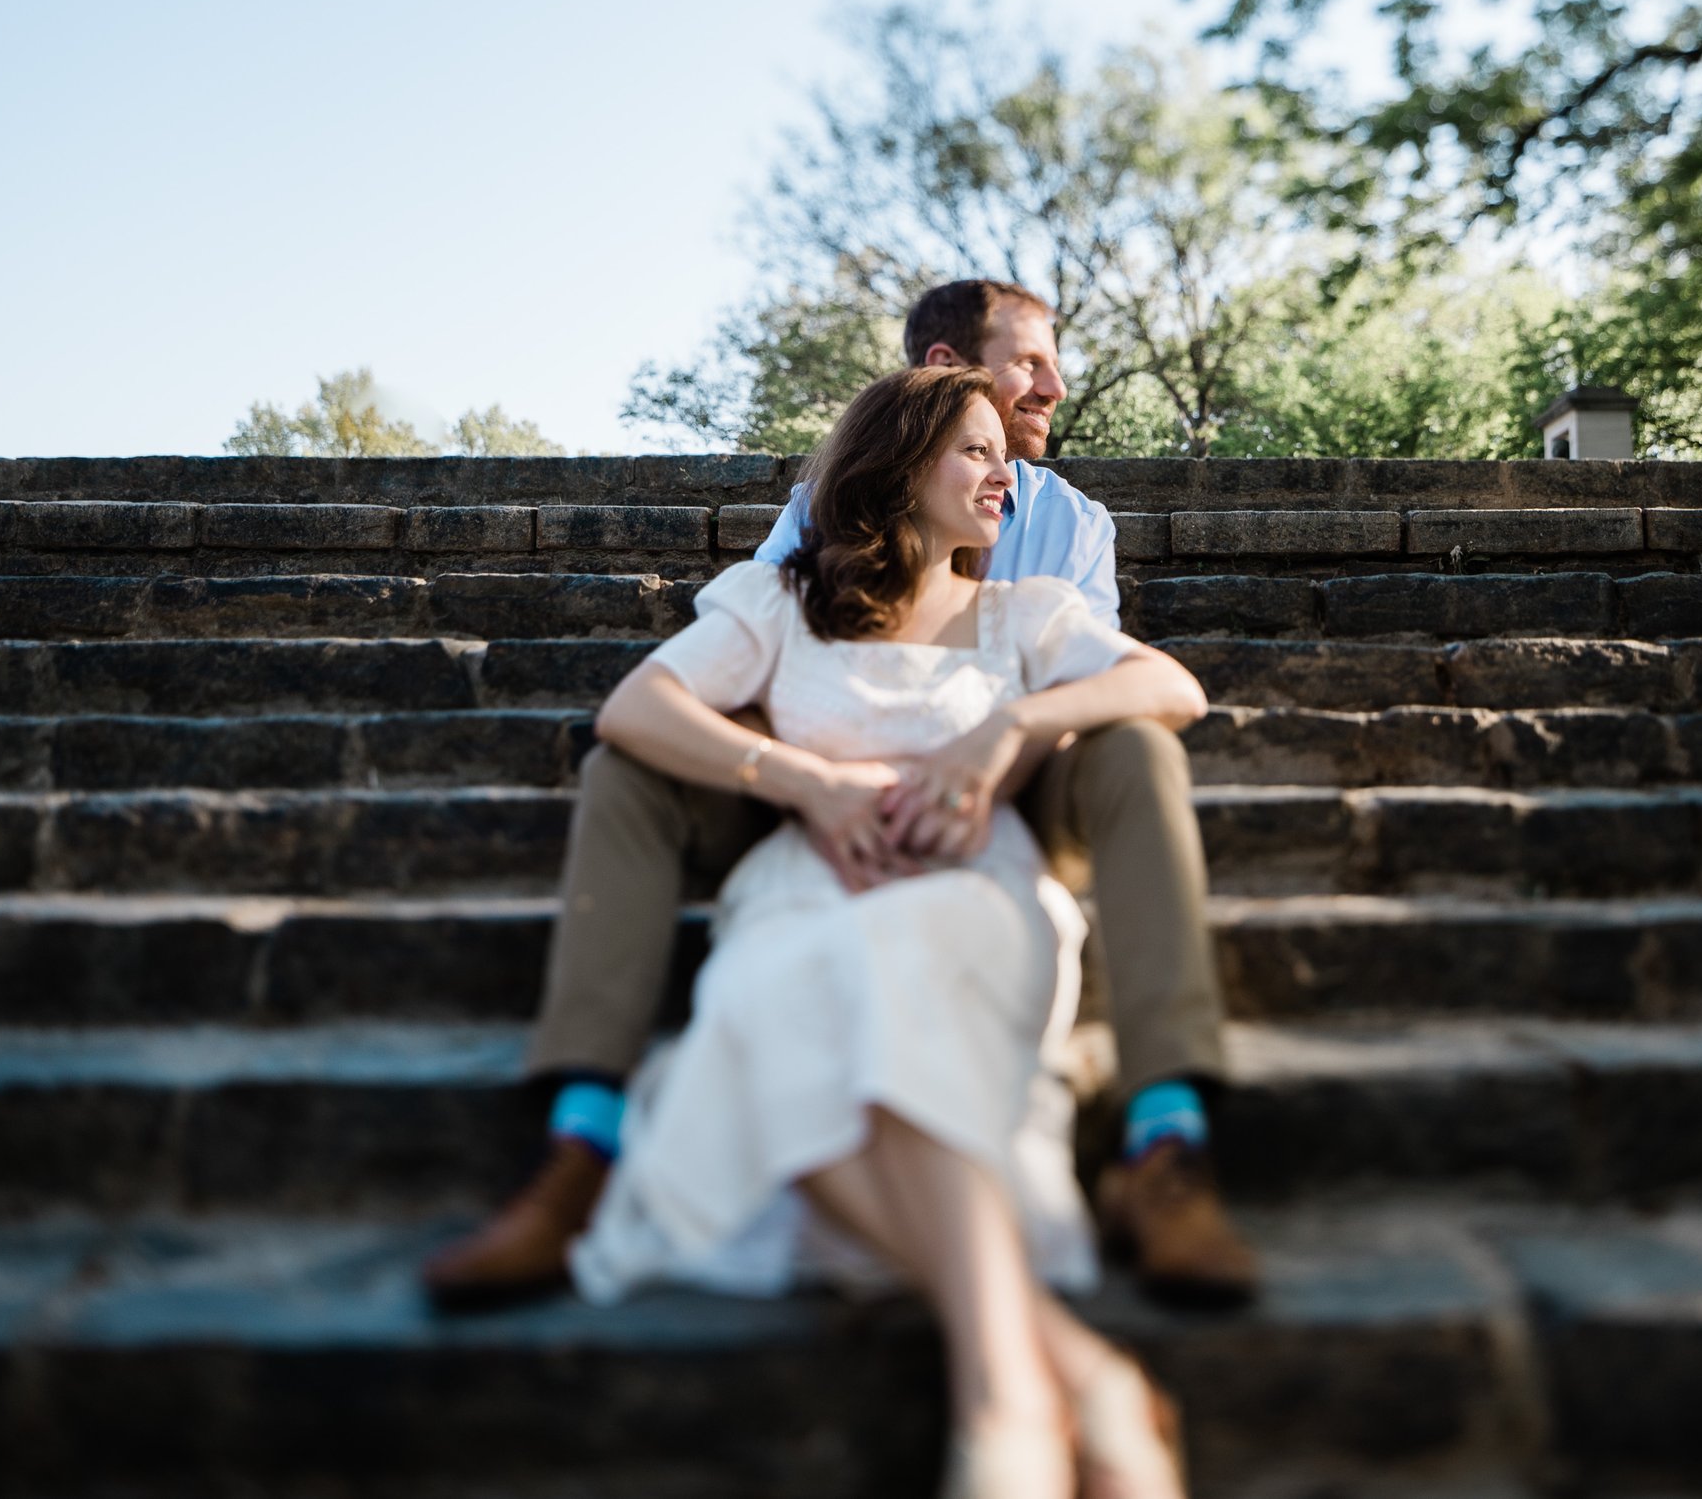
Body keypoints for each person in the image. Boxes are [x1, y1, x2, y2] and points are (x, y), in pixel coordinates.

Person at [421, 280, 1256, 1312]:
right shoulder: (806, 549)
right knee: (625, 764)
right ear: (931, 399)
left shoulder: (1060, 546)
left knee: (1137, 745)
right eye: (1020, 374)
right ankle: (582, 1146)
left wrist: (990, 748)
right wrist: (821, 783)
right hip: (815, 801)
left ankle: (1165, 1143)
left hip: (1008, 800)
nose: (1051, 390)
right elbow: (754, 664)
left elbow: (1126, 682)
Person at [572, 366, 1195, 1496]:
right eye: (971, 448)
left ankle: (1004, 1399)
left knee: (882, 965)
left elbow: (1169, 686)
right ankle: (1063, 1367)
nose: (1004, 469)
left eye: (1002, 450)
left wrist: (1011, 724)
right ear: (897, 463)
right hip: (805, 888)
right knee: (776, 996)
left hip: (977, 895)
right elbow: (635, 708)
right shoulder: (781, 601)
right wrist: (799, 778)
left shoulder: (1027, 611)